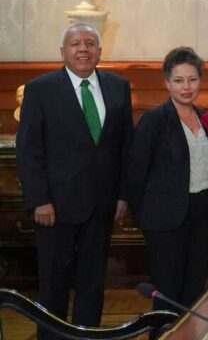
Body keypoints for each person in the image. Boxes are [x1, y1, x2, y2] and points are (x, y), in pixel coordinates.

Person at [15, 24, 133, 338]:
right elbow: (29, 150)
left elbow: (125, 148)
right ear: (63, 52)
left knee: (92, 282)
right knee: (54, 283)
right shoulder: (40, 89)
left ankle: (87, 336)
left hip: (102, 205)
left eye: (90, 43)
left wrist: (123, 195)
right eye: (75, 44)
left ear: (99, 51)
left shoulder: (119, 87)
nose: (83, 49)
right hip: (54, 207)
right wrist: (39, 199)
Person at [127, 47, 208, 312]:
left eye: (192, 79)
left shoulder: (204, 118)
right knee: (168, 291)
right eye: (178, 80)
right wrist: (143, 217)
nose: (186, 87)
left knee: (195, 288)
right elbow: (136, 173)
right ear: (167, 83)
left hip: (202, 213)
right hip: (165, 219)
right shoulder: (155, 120)